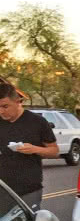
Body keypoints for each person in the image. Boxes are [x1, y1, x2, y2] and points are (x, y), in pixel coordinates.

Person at [0, 83, 59, 211]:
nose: (1, 111)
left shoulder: (37, 122)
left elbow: (54, 151)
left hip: (29, 190)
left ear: (18, 102)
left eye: (5, 106)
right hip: (3, 190)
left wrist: (34, 149)